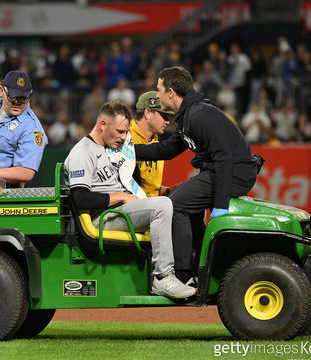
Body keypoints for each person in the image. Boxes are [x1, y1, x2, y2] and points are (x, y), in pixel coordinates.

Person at [135, 66, 262, 283]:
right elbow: (166, 151)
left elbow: (224, 158)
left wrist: (220, 206)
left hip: (234, 173)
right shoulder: (189, 116)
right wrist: (126, 150)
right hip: (224, 171)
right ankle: (200, 268)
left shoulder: (199, 116)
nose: (157, 95)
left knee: (175, 205)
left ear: (171, 92)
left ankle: (183, 275)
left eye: (159, 89)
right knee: (187, 205)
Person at [64, 101, 196, 299]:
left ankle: (188, 274)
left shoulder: (112, 148)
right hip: (104, 218)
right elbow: (80, 198)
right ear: (102, 125)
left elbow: (161, 152)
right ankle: (162, 276)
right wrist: (121, 196)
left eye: (126, 132)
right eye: (119, 131)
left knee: (180, 202)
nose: (124, 137)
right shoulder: (82, 153)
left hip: (121, 211)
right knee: (163, 206)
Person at [130, 91, 175, 197]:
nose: (167, 121)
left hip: (152, 205)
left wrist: (169, 190)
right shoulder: (124, 137)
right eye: (164, 116)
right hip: (131, 206)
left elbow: (151, 189)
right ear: (148, 113)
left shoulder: (156, 141)